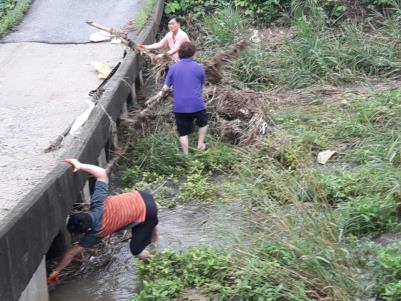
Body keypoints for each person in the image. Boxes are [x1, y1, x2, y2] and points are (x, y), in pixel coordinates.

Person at [47, 159, 158, 283]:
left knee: (135, 250)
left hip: (148, 213)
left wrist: (56, 271)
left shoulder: (96, 233)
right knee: (146, 226)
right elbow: (101, 173)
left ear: (86, 231)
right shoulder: (98, 202)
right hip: (143, 196)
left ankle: (156, 265)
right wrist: (80, 165)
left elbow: (71, 253)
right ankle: (155, 239)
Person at [159, 41, 208, 155]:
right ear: (193, 54)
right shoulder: (200, 67)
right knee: (204, 123)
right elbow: (202, 83)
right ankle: (200, 144)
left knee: (183, 132)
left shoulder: (173, 68)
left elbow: (166, 87)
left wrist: (161, 94)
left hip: (180, 106)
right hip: (196, 104)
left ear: (180, 54)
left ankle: (186, 156)